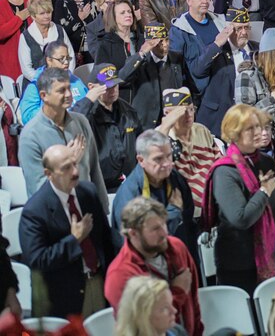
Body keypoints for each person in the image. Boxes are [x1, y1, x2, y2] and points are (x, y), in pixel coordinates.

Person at [19, 143, 114, 317]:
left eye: (75, 164)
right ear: (49, 174)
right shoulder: (34, 211)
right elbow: (37, 261)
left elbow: (105, 238)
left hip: (99, 282)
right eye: (66, 168)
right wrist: (74, 240)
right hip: (65, 296)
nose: (75, 172)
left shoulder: (88, 192)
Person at [200, 104, 275, 293]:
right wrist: (263, 192)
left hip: (271, 254)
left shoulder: (266, 162)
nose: (258, 132)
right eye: (250, 128)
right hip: (238, 262)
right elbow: (240, 218)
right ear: (234, 133)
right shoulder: (225, 171)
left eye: (258, 126)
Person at [105, 197, 202, 336]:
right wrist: (178, 291)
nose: (164, 233)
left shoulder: (177, 247)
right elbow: (141, 325)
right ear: (133, 233)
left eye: (163, 224)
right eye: (155, 229)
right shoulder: (120, 274)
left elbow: (194, 303)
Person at [18, 67, 108, 207]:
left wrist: (103, 208)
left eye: (69, 88)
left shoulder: (81, 122)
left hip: (87, 207)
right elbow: (38, 190)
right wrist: (69, 163)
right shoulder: (30, 136)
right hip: (54, 216)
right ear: (43, 96)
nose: (68, 94)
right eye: (61, 90)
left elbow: (95, 170)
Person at [111, 130, 198, 259]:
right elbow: (138, 242)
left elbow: (189, 224)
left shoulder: (176, 179)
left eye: (169, 156)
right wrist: (173, 212)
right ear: (141, 160)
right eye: (158, 159)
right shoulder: (129, 195)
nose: (167, 163)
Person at [168, 0, 241, 136]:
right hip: (207, 104)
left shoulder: (219, 21)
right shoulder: (180, 30)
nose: (205, 1)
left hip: (231, 96)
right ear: (189, 1)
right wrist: (216, 45)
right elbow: (196, 70)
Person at [71, 63, 141, 193]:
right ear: (92, 88)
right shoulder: (87, 113)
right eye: (107, 87)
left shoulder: (128, 111)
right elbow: (72, 125)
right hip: (99, 185)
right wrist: (88, 100)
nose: (113, 90)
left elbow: (140, 142)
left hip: (129, 182)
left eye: (115, 85)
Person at [118, 23, 187, 130]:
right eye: (160, 42)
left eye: (167, 40)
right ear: (149, 44)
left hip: (174, 120)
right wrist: (141, 53)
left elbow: (188, 85)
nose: (165, 44)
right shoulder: (140, 62)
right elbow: (121, 79)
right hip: (147, 124)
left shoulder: (177, 58)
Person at [236, 27, 275, 141]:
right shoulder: (247, 77)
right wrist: (271, 101)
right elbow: (243, 116)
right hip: (260, 144)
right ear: (269, 53)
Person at [19, 40, 88, 124]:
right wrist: (57, 113)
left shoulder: (76, 81)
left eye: (68, 58)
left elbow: (87, 105)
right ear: (49, 60)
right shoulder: (36, 85)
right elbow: (27, 117)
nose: (66, 63)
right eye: (61, 59)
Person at [53, 0, 97, 64]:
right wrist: (79, 19)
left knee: (97, 78)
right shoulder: (61, 2)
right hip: (72, 52)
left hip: (93, 50)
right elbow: (61, 32)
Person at [114, 275, 188, 336]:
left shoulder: (178, 332)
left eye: (171, 303)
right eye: (164, 308)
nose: (174, 311)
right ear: (143, 316)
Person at [0, 0, 31, 79]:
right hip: (11, 58)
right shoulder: (1, 6)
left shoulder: (30, 1)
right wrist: (18, 19)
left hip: (33, 55)